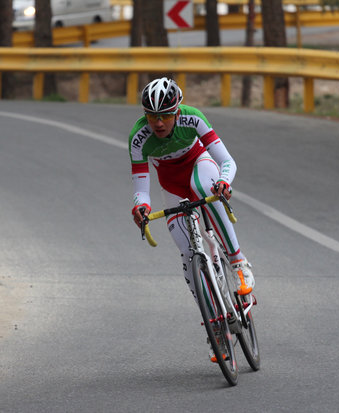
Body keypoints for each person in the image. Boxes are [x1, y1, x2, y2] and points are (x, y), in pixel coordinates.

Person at [128, 77, 255, 360]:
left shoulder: (193, 118)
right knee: (188, 255)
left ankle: (237, 261)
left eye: (164, 115)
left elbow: (227, 161)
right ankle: (215, 327)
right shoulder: (138, 138)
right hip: (171, 185)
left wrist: (224, 182)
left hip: (200, 166)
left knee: (203, 188)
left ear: (177, 111)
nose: (158, 123)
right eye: (151, 116)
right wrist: (141, 208)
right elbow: (140, 186)